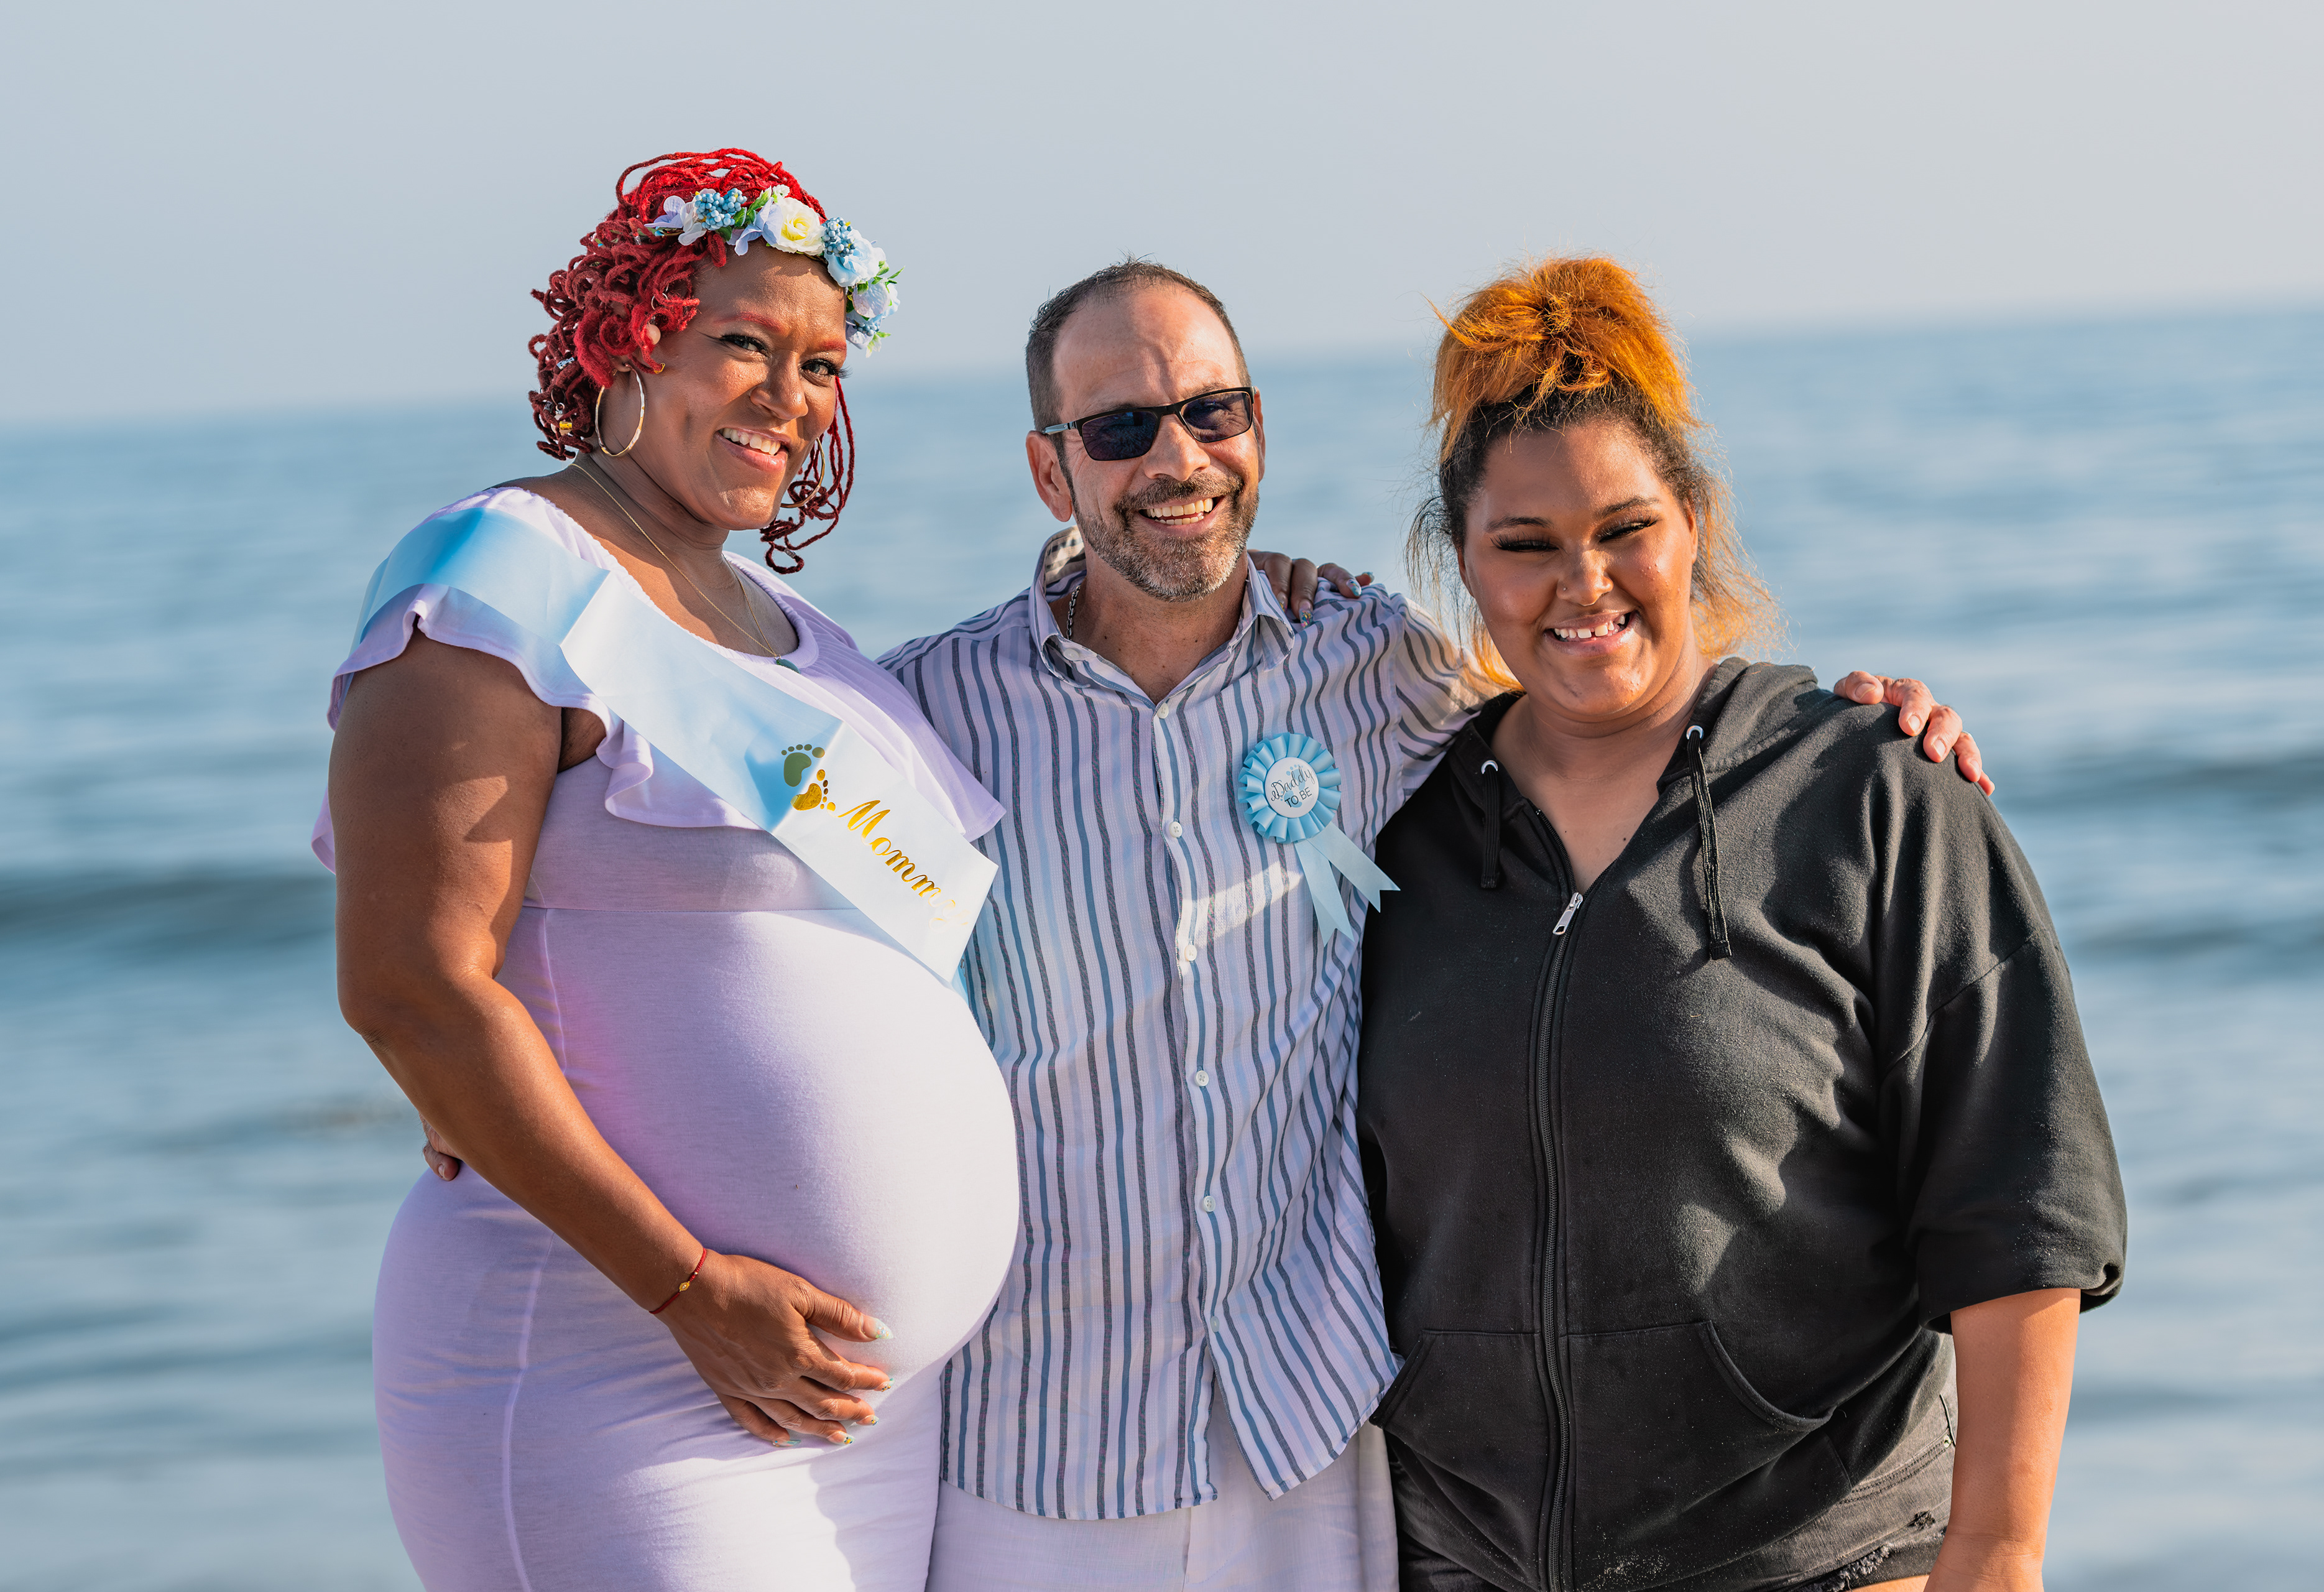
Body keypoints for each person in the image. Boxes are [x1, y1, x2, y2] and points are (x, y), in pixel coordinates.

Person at [877, 261, 1991, 1592]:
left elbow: (1598, 678)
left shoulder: (1377, 662)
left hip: (1315, 1433)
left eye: (1212, 411)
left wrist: (1843, 734)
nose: (1177, 457)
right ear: (1049, 468)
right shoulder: (921, 717)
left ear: (1257, 429)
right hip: (1033, 1441)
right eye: (1121, 426)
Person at [1355, 257, 2127, 1592]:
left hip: (1823, 1558)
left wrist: (1998, 1555)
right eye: (1525, 545)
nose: (1583, 583)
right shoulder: (1397, 838)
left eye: (1626, 529)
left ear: (1694, 523)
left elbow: (2018, 1200)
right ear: (1462, 562)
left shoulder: (1869, 795)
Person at [323, 149, 1024, 1591]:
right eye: (744, 344)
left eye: (823, 365)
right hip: (625, 1362)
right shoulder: (494, 575)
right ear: (626, 337)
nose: (790, 397)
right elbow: (413, 987)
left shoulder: (801, 639)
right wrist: (689, 1288)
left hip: (856, 1410)